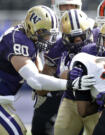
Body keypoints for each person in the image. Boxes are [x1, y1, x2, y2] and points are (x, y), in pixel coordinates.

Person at [0, 5, 95, 135]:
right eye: (43, 34)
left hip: (5, 99)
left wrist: (43, 88)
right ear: (30, 27)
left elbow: (38, 76)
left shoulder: (28, 37)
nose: (47, 39)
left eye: (50, 35)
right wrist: (69, 84)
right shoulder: (18, 40)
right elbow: (35, 80)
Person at [31, 1, 84, 135]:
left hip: (78, 89)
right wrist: (38, 77)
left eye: (72, 6)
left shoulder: (85, 24)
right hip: (51, 87)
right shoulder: (44, 24)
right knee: (39, 128)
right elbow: (34, 55)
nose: (68, 9)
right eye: (64, 6)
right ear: (55, 6)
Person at [44, 9, 99, 135]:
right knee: (62, 131)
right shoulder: (58, 47)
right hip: (71, 98)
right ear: (64, 37)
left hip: (96, 100)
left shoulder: (100, 38)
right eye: (73, 38)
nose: (79, 41)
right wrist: (68, 74)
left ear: (89, 32)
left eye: (82, 36)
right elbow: (59, 75)